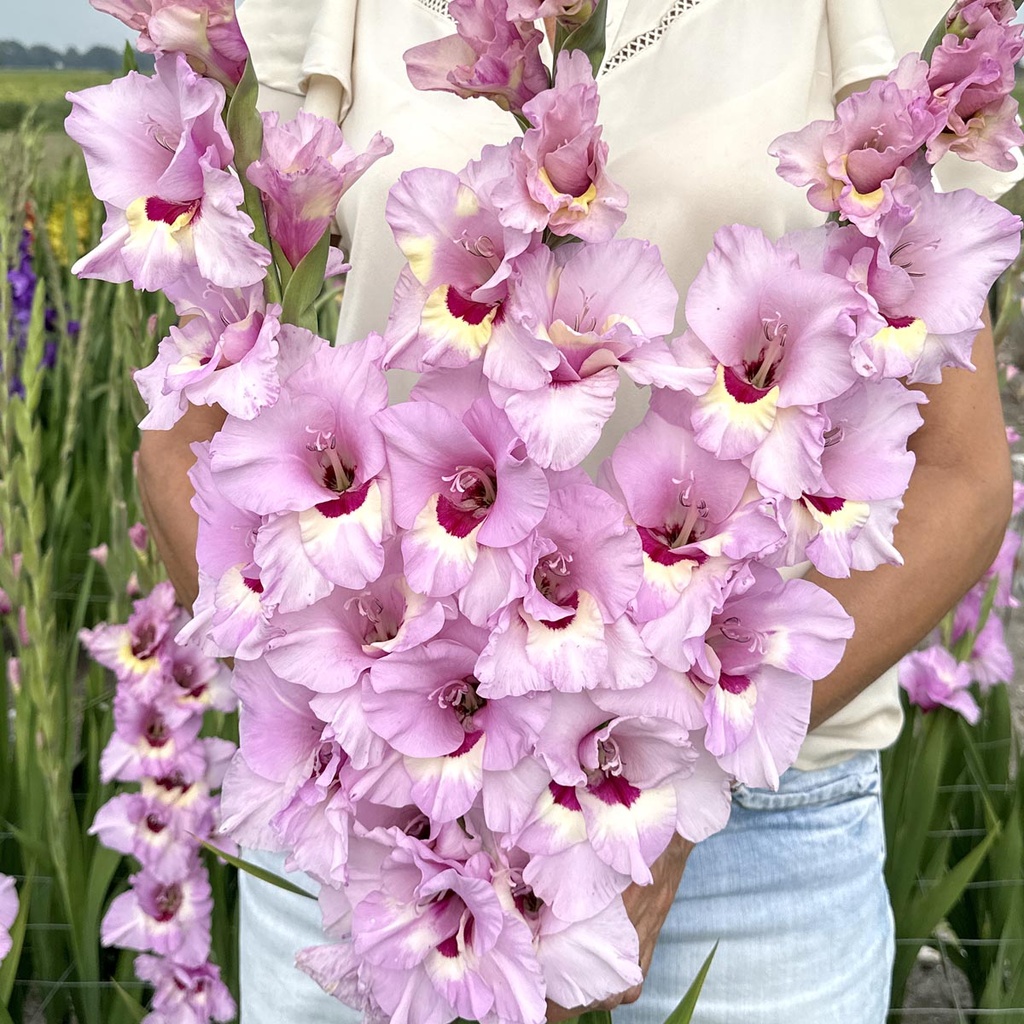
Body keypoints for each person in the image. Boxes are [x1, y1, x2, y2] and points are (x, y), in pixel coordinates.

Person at [136, 0, 1019, 1020]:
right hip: (378, 837)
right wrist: (363, 732)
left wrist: (644, 794)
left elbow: (958, 478)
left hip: (751, 851)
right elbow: (190, 443)